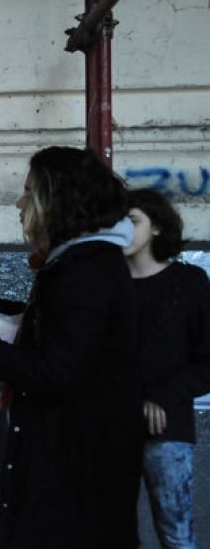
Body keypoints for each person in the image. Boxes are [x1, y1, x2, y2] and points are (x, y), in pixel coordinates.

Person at [0, 146, 143, 548]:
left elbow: (57, 370)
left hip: (74, 471)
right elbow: (52, 321)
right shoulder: (81, 263)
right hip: (71, 463)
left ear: (58, 200)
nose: (19, 202)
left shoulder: (87, 271)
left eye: (29, 192)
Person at [124, 188, 210, 549]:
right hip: (109, 428)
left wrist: (162, 395)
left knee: (176, 535)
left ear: (157, 227)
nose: (122, 231)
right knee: (111, 533)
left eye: (132, 221)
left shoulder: (189, 283)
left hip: (167, 431)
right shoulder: (105, 285)